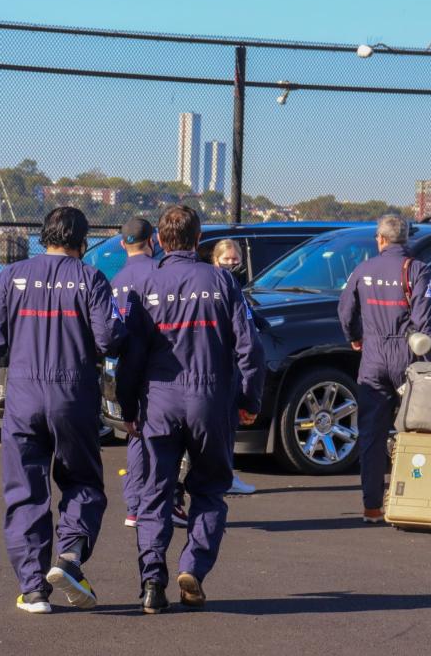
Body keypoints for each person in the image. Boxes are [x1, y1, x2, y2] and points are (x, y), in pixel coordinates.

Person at [0, 206, 126, 614]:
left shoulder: (11, 277)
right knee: (82, 482)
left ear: (43, 235)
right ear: (82, 242)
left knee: (25, 492)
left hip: (23, 399)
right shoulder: (91, 278)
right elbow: (110, 339)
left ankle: (32, 589)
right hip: (74, 397)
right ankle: (69, 555)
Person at [117, 205, 264, 614]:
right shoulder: (221, 281)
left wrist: (128, 408)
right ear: (200, 241)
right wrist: (249, 400)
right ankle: (193, 569)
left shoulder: (145, 283)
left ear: (160, 241)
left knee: (154, 496)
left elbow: (131, 355)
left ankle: (151, 581)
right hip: (210, 400)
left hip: (159, 401)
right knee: (210, 490)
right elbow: (249, 347)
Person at [337, 214, 431, 524]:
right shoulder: (418, 270)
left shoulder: (363, 270)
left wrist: (355, 337)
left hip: (372, 356)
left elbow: (345, 310)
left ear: (380, 239)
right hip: (407, 358)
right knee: (419, 430)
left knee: (370, 433)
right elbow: (425, 320)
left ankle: (372, 506)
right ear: (406, 239)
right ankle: (415, 500)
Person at [111, 216, 188, 529]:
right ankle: (160, 503)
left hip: (125, 365)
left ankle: (134, 505)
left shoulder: (115, 279)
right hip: (161, 367)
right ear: (154, 240)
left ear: (121, 244)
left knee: (135, 435)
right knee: (162, 441)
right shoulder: (159, 272)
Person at [211, 238, 257, 496]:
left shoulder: (235, 286)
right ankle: (223, 476)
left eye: (235, 258)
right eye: (226, 258)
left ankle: (225, 474)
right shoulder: (224, 285)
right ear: (215, 259)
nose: (231, 263)